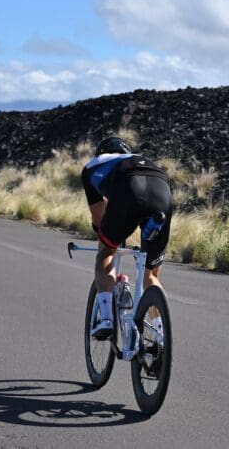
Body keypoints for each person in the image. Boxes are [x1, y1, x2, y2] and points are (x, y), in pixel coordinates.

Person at [81, 137, 173, 340]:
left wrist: (106, 237)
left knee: (105, 252)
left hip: (129, 187)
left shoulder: (92, 166)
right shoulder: (141, 158)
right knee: (151, 274)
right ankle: (161, 335)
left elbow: (98, 218)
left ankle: (106, 320)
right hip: (161, 188)